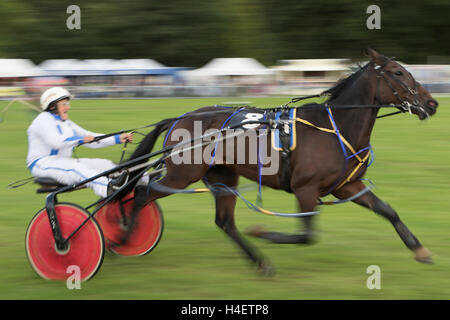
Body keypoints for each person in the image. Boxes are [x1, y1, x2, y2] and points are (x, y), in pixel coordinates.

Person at [26, 87, 134, 198]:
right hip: (43, 164)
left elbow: (90, 137)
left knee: (105, 164)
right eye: (64, 104)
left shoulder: (66, 123)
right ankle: (108, 188)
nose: (68, 107)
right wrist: (81, 140)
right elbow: (56, 142)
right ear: (52, 106)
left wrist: (117, 138)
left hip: (63, 162)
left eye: (67, 104)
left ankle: (143, 180)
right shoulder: (42, 120)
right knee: (76, 169)